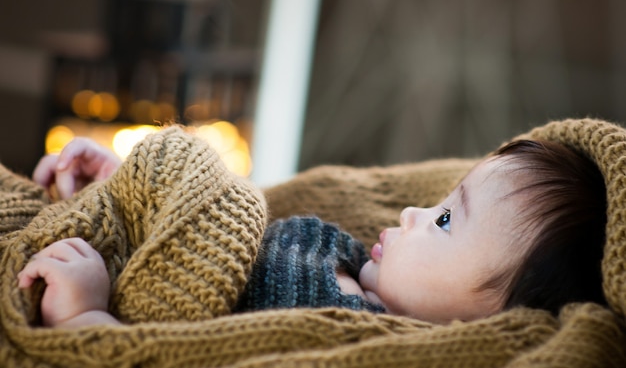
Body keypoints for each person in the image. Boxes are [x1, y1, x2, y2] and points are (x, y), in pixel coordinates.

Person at [17, 134, 607, 327]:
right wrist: (133, 188)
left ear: (484, 325)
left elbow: (182, 357)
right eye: (437, 203)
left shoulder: (349, 339)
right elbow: (219, 230)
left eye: (447, 220)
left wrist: (87, 319)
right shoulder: (343, 253)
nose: (412, 214)